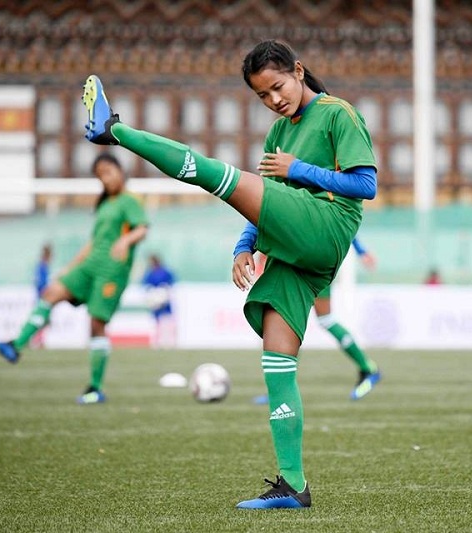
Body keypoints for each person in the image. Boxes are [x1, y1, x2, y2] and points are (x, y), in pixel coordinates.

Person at [78, 39, 376, 509]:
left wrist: (300, 169)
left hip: (327, 225)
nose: (273, 99)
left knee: (215, 175)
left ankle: (114, 130)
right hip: (296, 249)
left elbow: (366, 184)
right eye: (262, 95)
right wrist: (244, 247)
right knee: (277, 361)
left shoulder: (338, 114)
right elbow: (265, 204)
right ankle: (293, 485)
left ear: (298, 71)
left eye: (278, 87)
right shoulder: (277, 135)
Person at [0, 154, 149, 405]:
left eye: (108, 172)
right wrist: (70, 267)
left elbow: (142, 228)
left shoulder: (130, 200)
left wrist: (125, 240)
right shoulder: (105, 204)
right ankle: (16, 345)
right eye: (100, 175)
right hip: (89, 265)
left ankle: (95, 388)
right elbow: (94, 241)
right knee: (51, 292)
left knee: (96, 324)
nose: (106, 178)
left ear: (120, 170)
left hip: (112, 270)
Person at [246, 236, 381, 404]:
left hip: (312, 261)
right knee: (303, 321)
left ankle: (368, 368)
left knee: (305, 320)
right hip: (303, 260)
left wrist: (361, 250)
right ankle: (368, 368)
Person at [142, 254, 176, 347]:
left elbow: (171, 282)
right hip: (155, 301)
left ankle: (170, 341)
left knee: (167, 320)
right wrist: (152, 294)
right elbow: (146, 285)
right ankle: (157, 341)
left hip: (165, 300)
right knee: (156, 321)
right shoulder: (150, 273)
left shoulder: (165, 272)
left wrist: (164, 293)